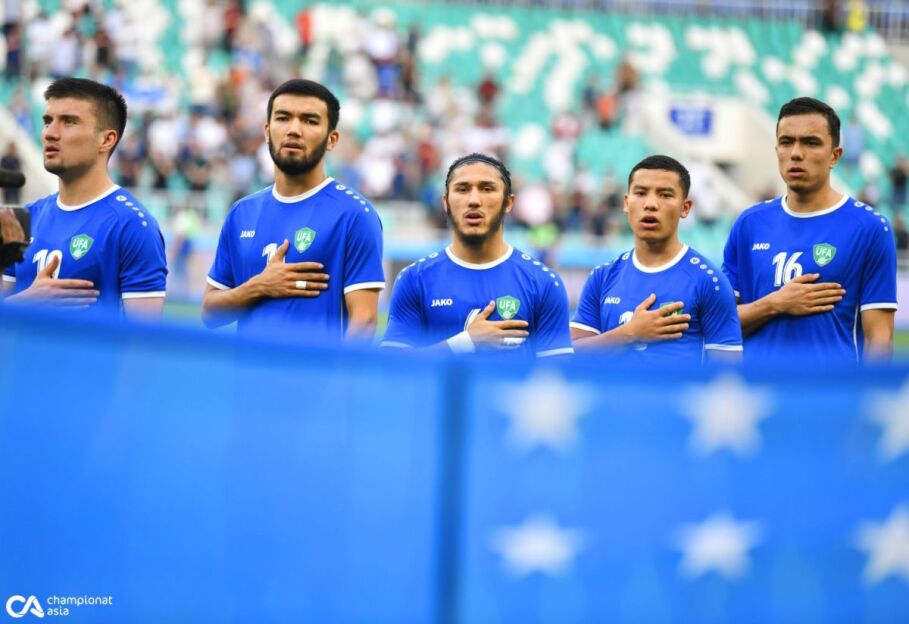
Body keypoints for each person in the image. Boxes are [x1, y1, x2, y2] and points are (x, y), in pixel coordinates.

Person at [202, 79, 384, 341]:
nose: (294, 130)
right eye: (283, 118)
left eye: (310, 121)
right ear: (267, 131)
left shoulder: (354, 215)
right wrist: (259, 286)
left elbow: (364, 322)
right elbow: (210, 313)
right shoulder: (242, 213)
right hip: (247, 369)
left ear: (332, 139)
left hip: (316, 368)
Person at [722, 97, 897, 363]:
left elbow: (879, 339)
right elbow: (720, 325)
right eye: (786, 142)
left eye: (811, 142)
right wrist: (775, 303)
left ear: (835, 156)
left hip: (832, 388)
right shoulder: (749, 224)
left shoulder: (869, 228)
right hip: (757, 388)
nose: (796, 153)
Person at [1, 78, 167, 318]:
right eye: (47, 121)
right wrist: (28, 302)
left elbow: (145, 337)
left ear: (106, 140)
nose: (50, 133)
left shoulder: (133, 226)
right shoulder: (23, 219)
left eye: (68, 122)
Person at [381, 153, 573, 358]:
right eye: (462, 189)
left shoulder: (543, 283)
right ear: (446, 202)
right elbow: (393, 368)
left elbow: (556, 374)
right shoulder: (414, 279)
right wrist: (466, 342)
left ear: (508, 202)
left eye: (487, 189)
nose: (473, 200)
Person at [571, 155, 742, 364]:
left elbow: (727, 372)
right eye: (640, 193)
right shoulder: (602, 277)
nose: (651, 204)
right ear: (626, 203)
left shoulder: (710, 281)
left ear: (685, 208)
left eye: (665, 195)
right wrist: (630, 333)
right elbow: (569, 356)